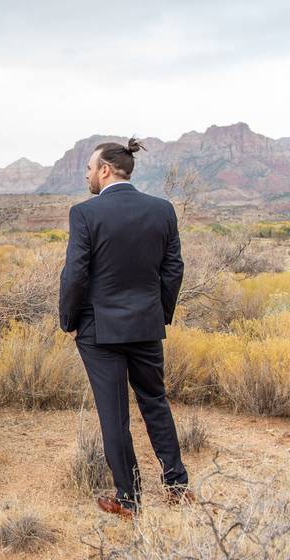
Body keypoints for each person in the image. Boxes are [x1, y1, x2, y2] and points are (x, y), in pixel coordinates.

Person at [58, 137, 194, 519]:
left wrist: (69, 321)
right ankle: (177, 485)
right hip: (147, 325)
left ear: (104, 170)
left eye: (89, 168)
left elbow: (75, 274)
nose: (86, 174)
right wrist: (158, 314)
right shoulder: (162, 210)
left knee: (113, 413)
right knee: (155, 402)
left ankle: (129, 499)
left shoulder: (85, 214)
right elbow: (173, 269)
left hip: (100, 332)